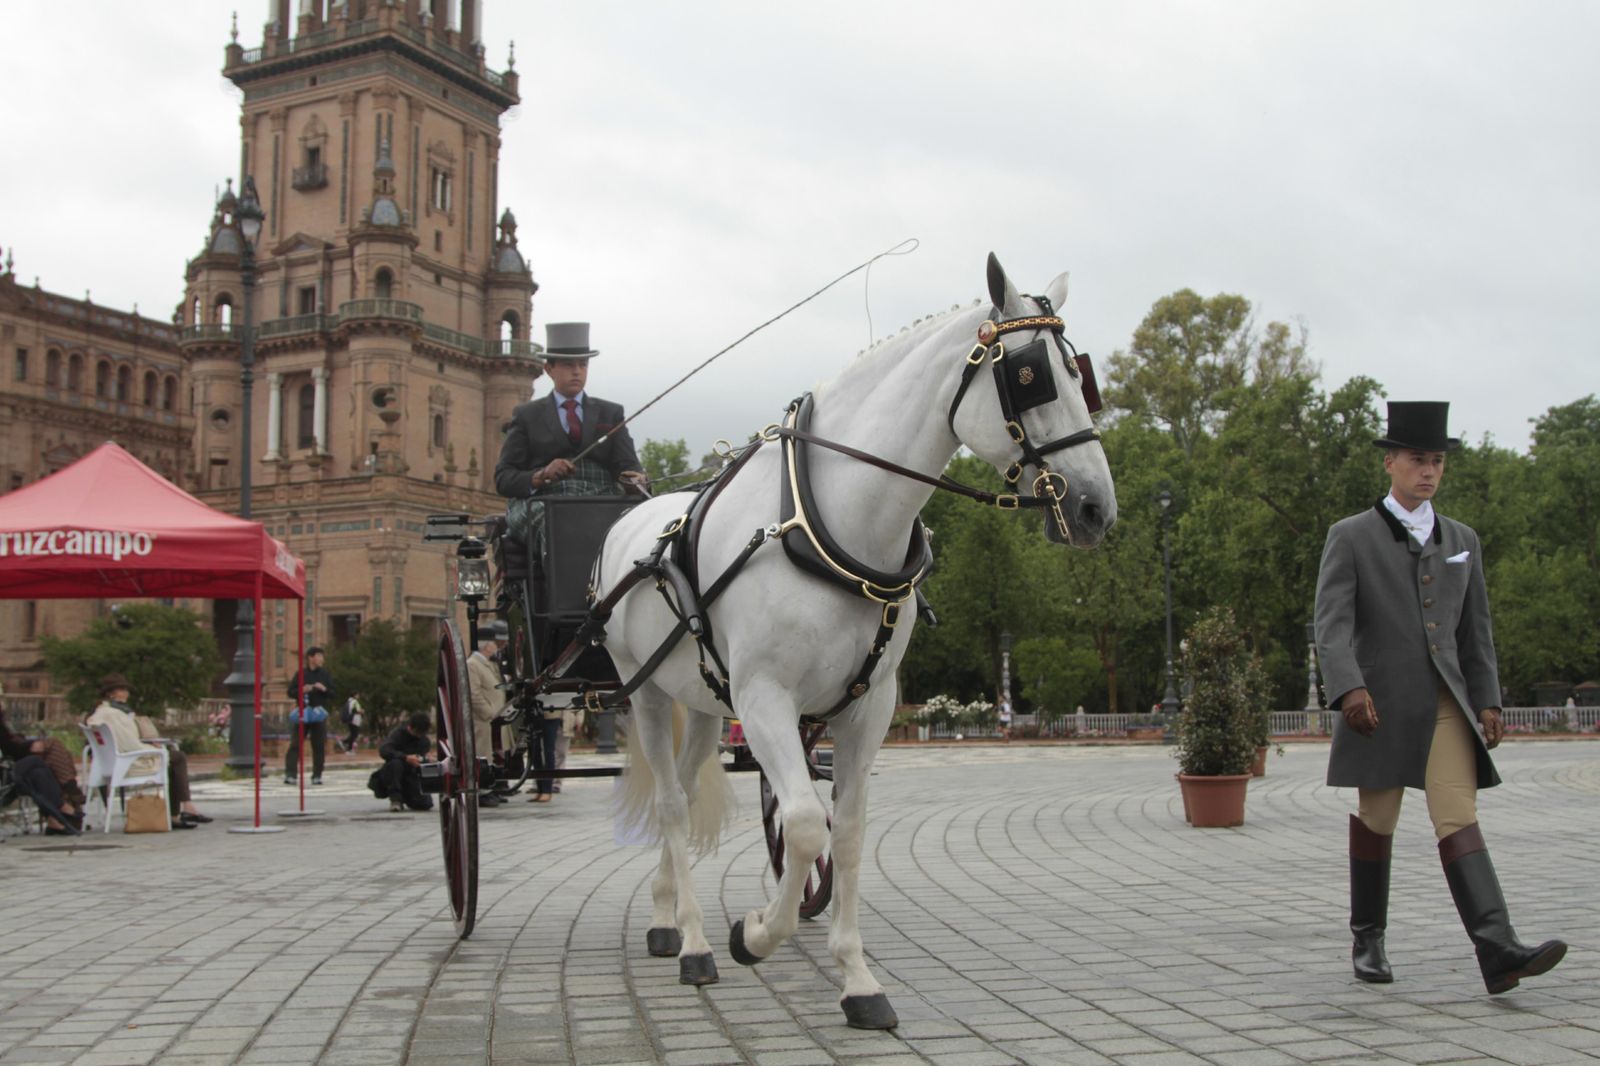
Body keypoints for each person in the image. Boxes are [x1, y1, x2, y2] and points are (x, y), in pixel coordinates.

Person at [1314, 401, 1566, 994]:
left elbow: (1476, 632)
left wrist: (1489, 701)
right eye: (1417, 459)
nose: (1428, 471)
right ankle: (1368, 938)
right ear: (1390, 463)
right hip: (1377, 704)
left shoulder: (1463, 539)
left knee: (1458, 815)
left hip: (1449, 701)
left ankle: (1497, 948)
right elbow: (1331, 624)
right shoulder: (1350, 536)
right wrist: (1348, 688)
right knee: (1378, 818)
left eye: (1437, 461)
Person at [493, 322, 647, 558]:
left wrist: (637, 481)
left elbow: (629, 466)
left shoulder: (611, 413)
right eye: (568, 365)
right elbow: (504, 478)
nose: (577, 371)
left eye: (582, 365)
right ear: (549, 369)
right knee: (561, 526)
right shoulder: (527, 416)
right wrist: (541, 475)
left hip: (601, 500)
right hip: (544, 503)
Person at [84, 674, 210, 829]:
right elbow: (129, 745)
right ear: (111, 693)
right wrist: (154, 748)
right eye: (122, 690)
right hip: (127, 762)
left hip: (106, 763)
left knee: (172, 759)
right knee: (177, 757)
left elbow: (121, 741)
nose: (126, 693)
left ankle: (181, 810)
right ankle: (180, 810)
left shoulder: (100, 713)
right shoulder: (114, 715)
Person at [0, 713, 85, 833]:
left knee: (38, 773)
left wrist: (26, 743)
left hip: (13, 767)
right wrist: (29, 746)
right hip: (6, 772)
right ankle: (65, 797)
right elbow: (9, 748)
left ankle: (53, 821)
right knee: (44, 754)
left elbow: (8, 744)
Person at [466, 622, 509, 807]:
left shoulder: (487, 663)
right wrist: (490, 713)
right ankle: (482, 792)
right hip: (483, 720)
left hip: (495, 719)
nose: (495, 646)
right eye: (493, 642)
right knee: (483, 755)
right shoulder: (472, 664)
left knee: (493, 756)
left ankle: (492, 788)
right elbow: (473, 694)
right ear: (485, 645)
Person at [285, 646, 335, 786]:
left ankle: (317, 775)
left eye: (322, 656)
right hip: (303, 713)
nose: (321, 659)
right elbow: (290, 692)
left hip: (318, 714)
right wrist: (302, 690)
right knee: (295, 744)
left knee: (318, 745)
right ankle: (291, 774)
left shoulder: (325, 675)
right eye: (319, 656)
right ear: (311, 658)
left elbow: (333, 693)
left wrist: (324, 689)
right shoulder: (301, 674)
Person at [371, 712, 433, 812]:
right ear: (411, 728)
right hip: (394, 772)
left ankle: (407, 796)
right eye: (417, 732)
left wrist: (425, 761)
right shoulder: (398, 734)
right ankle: (395, 799)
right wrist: (405, 757)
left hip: (411, 775)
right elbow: (384, 750)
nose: (419, 735)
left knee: (425, 804)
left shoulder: (424, 741)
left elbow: (423, 758)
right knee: (395, 764)